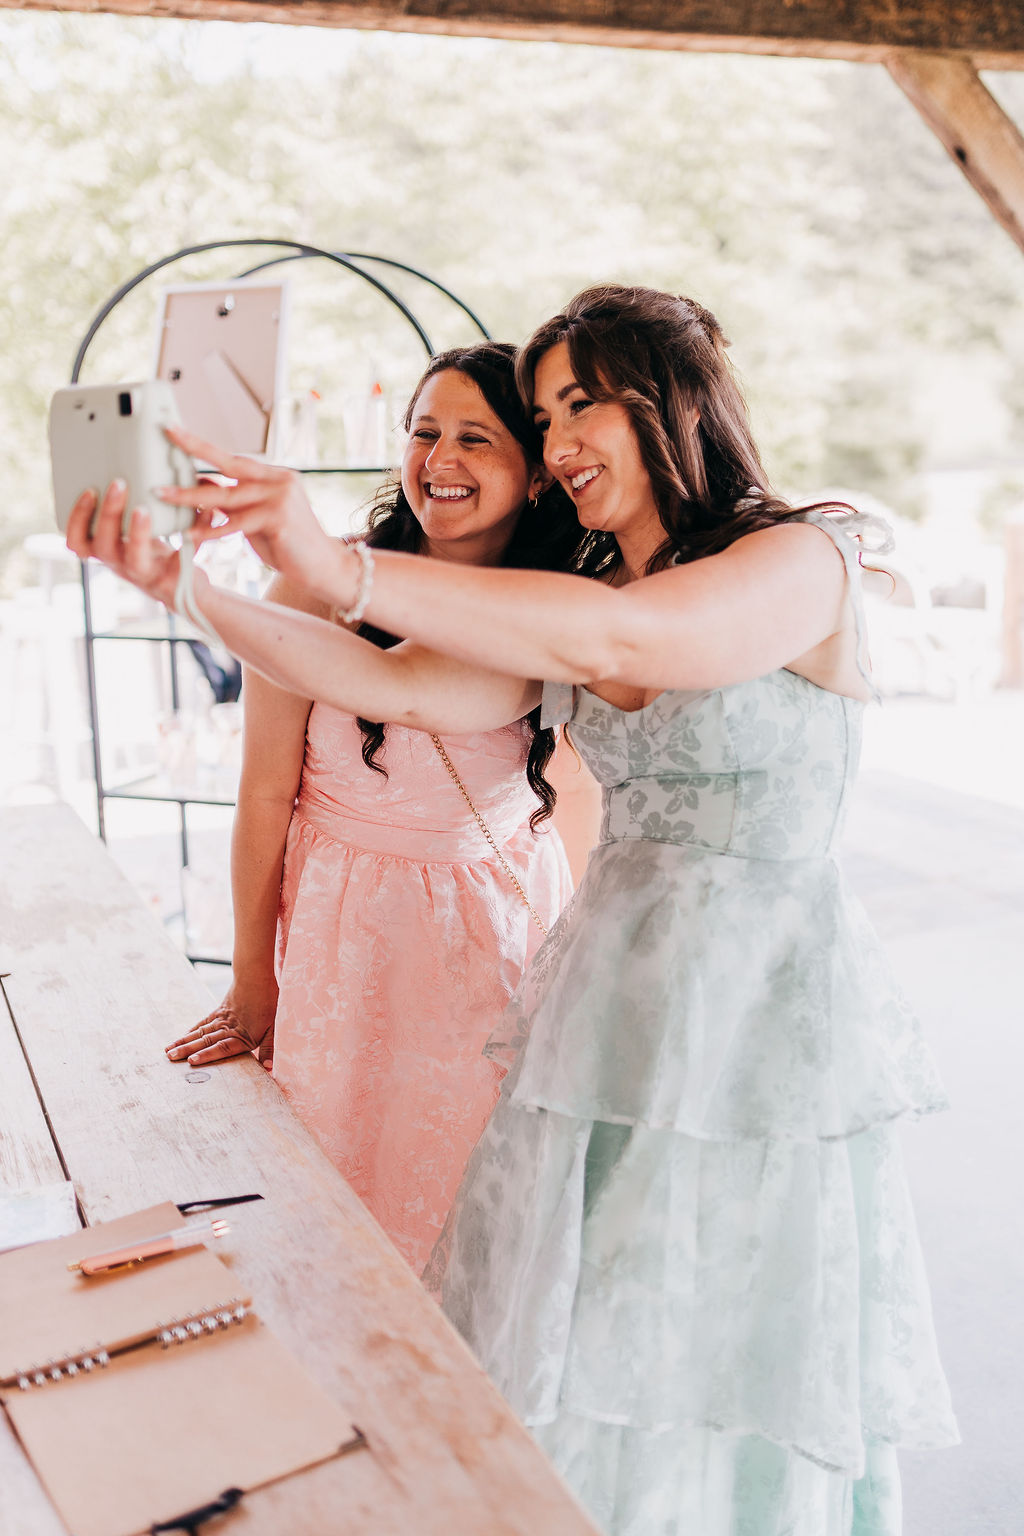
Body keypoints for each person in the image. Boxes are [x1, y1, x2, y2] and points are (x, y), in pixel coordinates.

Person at [68, 284, 957, 1535]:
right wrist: (183, 585)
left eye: (580, 404)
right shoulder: (579, 595)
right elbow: (385, 679)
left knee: (712, 1349)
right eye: (544, 418)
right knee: (572, 1354)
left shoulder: (801, 557)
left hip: (755, 1031)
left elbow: (638, 643)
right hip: (598, 1026)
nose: (558, 442)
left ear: (676, 400)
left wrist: (333, 560)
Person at [167, 342, 598, 1274]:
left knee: (471, 1221)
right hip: (341, 939)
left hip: (494, 941)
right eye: (423, 432)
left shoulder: (552, 606)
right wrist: (255, 978)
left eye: (475, 439)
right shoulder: (317, 586)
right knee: (338, 1214)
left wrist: (579, 981)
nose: (438, 461)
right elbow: (264, 792)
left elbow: (575, 802)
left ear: (533, 476)